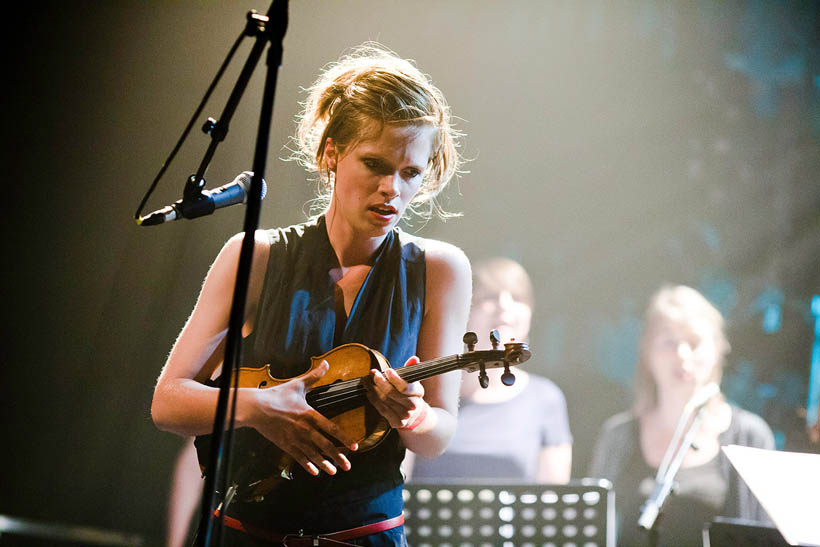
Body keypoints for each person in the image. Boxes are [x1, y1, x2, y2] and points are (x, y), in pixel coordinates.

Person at [151, 43, 472, 546]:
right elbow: (168, 402)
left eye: (410, 173)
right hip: (247, 531)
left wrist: (415, 414)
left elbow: (438, 434)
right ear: (330, 153)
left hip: (366, 535)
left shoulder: (440, 268)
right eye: (374, 164)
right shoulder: (255, 256)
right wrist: (255, 408)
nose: (393, 188)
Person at [588, 285, 775, 547]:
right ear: (647, 352)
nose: (682, 355)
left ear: (717, 350)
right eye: (669, 343)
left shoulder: (750, 435)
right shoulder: (617, 435)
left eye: (695, 343)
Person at [407, 257, 572, 484]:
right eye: (489, 297)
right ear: (464, 310)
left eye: (517, 298)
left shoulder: (545, 398)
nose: (505, 306)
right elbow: (399, 479)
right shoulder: (428, 391)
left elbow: (553, 497)